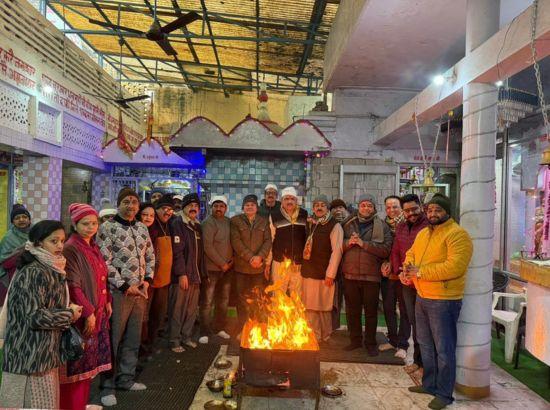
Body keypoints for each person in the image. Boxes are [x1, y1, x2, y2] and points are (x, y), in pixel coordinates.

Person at [0, 220, 82, 409]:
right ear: (38, 243)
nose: (60, 246)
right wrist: (68, 314)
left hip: (42, 353)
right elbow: (35, 316)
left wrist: (67, 307)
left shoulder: (50, 267)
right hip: (28, 356)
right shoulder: (34, 271)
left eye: (62, 240)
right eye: (54, 241)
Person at [404, 194, 473, 410]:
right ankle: (429, 385)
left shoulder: (457, 234)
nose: (433, 213)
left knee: (444, 349)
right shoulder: (424, 233)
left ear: (447, 212)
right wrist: (407, 268)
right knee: (425, 345)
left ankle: (444, 394)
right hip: (422, 296)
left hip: (444, 300)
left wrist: (420, 272)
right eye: (430, 210)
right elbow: (411, 253)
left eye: (438, 210)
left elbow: (455, 267)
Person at [97, 187, 155, 407]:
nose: (131, 206)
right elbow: (104, 261)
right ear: (118, 204)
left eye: (134, 202)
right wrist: (124, 286)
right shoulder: (107, 227)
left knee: (133, 338)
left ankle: (126, 379)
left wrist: (147, 280)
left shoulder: (141, 227)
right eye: (126, 202)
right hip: (118, 293)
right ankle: (107, 386)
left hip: (140, 292)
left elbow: (150, 256)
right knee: (113, 340)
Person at [60, 204, 112, 410]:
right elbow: (73, 285)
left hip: (98, 311)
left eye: (94, 223)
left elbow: (102, 276)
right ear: (75, 224)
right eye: (85, 224)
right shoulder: (71, 247)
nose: (91, 227)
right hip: (83, 315)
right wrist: (89, 313)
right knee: (77, 368)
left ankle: (81, 404)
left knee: (88, 368)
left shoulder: (93, 245)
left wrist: (107, 301)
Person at [341, 194, 392, 355]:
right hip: (350, 274)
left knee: (371, 312)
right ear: (358, 207)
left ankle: (370, 342)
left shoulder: (382, 226)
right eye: (363, 205)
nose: (366, 208)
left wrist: (364, 244)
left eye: (369, 205)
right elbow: (336, 244)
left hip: (371, 276)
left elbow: (386, 249)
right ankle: (355, 340)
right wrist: (348, 243)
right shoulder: (347, 223)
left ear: (374, 208)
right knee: (352, 311)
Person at [387, 193, 429, 374]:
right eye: (407, 210)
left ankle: (427, 365)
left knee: (425, 325)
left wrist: (417, 273)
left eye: (414, 209)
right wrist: (399, 272)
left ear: (421, 207)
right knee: (413, 321)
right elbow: (396, 251)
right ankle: (418, 361)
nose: (411, 213)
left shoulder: (429, 226)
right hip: (406, 282)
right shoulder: (402, 227)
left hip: (425, 283)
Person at [301, 195, 343, 344]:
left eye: (322, 205)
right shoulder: (310, 223)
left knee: (324, 306)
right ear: (313, 208)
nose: (319, 208)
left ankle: (326, 335)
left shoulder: (334, 225)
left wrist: (331, 274)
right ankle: (314, 335)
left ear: (327, 208)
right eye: (316, 205)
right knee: (310, 305)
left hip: (325, 273)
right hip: (309, 271)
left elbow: (337, 251)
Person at [168, 193, 206, 352]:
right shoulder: (178, 223)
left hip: (195, 275)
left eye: (196, 206)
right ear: (184, 207)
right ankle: (174, 340)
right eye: (190, 205)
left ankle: (186, 337)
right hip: (183, 275)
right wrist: (181, 274)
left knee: (191, 310)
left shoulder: (197, 225)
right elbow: (177, 252)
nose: (193, 208)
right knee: (178, 309)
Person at [230, 194, 272, 334]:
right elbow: (236, 241)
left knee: (257, 299)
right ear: (243, 207)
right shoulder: (235, 221)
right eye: (247, 205)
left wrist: (260, 257)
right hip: (241, 268)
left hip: (258, 269)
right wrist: (250, 258)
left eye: (252, 205)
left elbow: (268, 241)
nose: (249, 207)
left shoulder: (263, 221)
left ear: (256, 207)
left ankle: (256, 327)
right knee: (241, 299)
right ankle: (243, 327)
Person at [199, 195, 233, 344]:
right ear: (211, 207)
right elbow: (207, 247)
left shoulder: (228, 222)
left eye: (222, 206)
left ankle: (220, 328)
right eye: (216, 206)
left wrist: (231, 261)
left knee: (223, 301)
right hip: (211, 269)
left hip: (227, 269)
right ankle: (204, 331)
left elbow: (233, 242)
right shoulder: (208, 223)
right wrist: (222, 263)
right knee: (207, 301)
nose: (219, 209)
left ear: (226, 208)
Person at [143, 194, 175, 355]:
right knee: (145, 316)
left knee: (159, 314)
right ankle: (143, 348)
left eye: (170, 209)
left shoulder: (170, 225)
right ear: (157, 210)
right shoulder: (151, 226)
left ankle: (152, 344)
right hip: (149, 280)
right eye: (164, 208)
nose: (167, 212)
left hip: (164, 279)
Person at [379, 195, 409, 360]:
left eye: (395, 207)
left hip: (404, 273)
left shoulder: (407, 224)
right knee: (388, 307)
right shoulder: (383, 225)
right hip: (388, 274)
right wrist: (384, 263)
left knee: (404, 310)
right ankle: (392, 340)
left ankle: (403, 345)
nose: (391, 210)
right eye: (388, 207)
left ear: (401, 208)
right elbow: (383, 247)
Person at [266, 186, 307, 295]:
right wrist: (268, 263)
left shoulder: (304, 214)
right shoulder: (275, 216)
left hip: (298, 263)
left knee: (296, 295)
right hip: (279, 262)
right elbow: (270, 239)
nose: (289, 201)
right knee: (278, 294)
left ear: (296, 201)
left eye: (292, 199)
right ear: (281, 201)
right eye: (286, 199)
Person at [0, 204, 32, 304]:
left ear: (29, 219)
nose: (21, 220)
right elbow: (5, 262)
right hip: (14, 276)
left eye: (24, 217)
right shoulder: (8, 238)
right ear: (12, 222)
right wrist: (23, 250)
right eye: (17, 218)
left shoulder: (36, 233)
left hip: (33, 275)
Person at [329, 198, 349, 331]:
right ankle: (334, 326)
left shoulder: (351, 224)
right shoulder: (330, 224)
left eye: (341, 207)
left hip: (349, 268)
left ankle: (352, 329)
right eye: (335, 208)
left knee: (351, 302)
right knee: (334, 300)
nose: (338, 210)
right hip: (334, 270)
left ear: (345, 209)